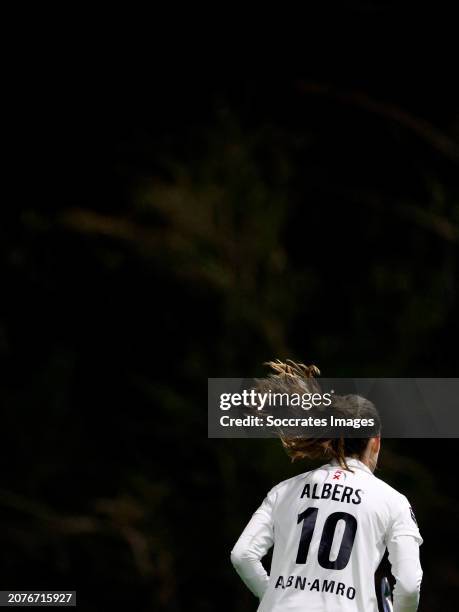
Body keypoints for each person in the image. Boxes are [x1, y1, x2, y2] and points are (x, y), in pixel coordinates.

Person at [231, 360, 423, 611]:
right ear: (375, 442)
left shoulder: (284, 490)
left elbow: (242, 555)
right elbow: (409, 585)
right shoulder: (393, 501)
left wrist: (273, 597)